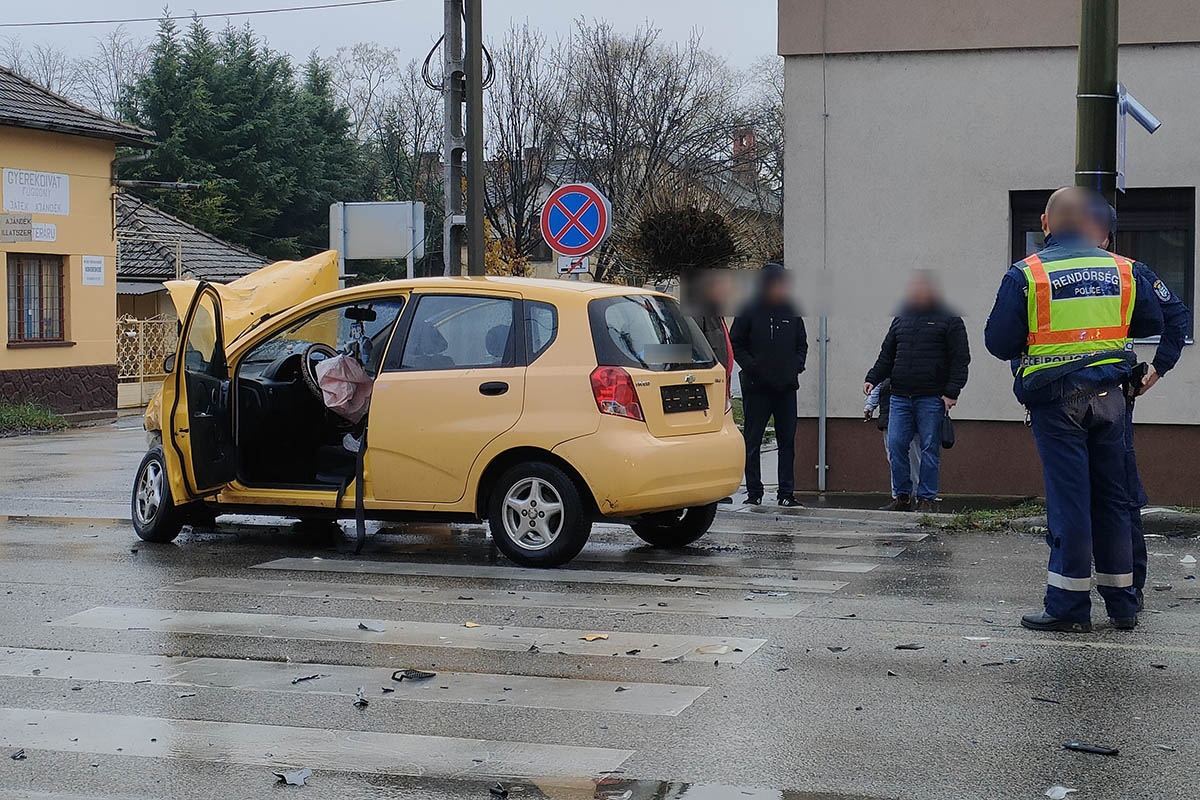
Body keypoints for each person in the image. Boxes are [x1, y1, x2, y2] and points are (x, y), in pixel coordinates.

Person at [985, 186, 1163, 632]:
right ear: (1091, 225)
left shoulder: (1027, 273)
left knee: (1071, 503)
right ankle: (1123, 605)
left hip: (1056, 400)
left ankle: (1068, 607)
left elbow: (998, 342)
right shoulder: (1125, 269)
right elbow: (1151, 322)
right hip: (1112, 401)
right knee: (1113, 500)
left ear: (1046, 224)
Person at [1083, 197, 1191, 611]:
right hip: (1074, 398)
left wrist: (1158, 369)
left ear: (1105, 235)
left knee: (1118, 491)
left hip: (1110, 395)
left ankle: (1128, 587)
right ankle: (1082, 587)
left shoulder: (1130, 272)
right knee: (1088, 491)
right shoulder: (1045, 271)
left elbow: (1175, 317)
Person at [864, 271, 970, 512]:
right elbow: (887, 355)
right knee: (896, 445)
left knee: (929, 449)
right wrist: (873, 378)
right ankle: (902, 497)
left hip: (931, 397)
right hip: (900, 396)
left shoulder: (950, 319)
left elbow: (960, 360)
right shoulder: (902, 318)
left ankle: (926, 499)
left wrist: (952, 393)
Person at [730, 262, 808, 506]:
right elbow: (736, 343)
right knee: (752, 441)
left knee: (787, 442)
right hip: (757, 388)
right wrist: (753, 367)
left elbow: (802, 345)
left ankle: (786, 493)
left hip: (786, 389)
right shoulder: (749, 309)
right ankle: (754, 493)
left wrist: (796, 365)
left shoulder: (791, 310)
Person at [864, 379, 921, 502]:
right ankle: (899, 496)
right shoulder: (888, 369)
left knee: (913, 459)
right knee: (894, 459)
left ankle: (915, 495)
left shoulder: (911, 368)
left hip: (909, 419)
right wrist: (870, 405)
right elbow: (878, 385)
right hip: (888, 418)